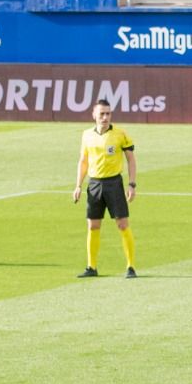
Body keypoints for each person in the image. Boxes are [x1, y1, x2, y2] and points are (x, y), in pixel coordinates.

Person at [71, 99, 138, 279]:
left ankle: (131, 266)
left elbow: (131, 159)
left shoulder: (120, 134)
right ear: (94, 115)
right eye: (101, 113)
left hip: (114, 183)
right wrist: (78, 185)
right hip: (94, 184)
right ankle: (91, 266)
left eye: (108, 113)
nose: (105, 117)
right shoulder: (86, 135)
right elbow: (83, 161)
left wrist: (132, 184)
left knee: (122, 224)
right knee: (93, 225)